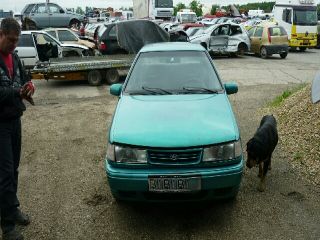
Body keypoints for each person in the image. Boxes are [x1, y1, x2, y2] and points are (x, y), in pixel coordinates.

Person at [0, 18, 35, 240]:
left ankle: (12, 209)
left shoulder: (14, 57)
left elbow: (25, 79)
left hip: (15, 120)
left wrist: (29, 87)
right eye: (11, 40)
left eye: (16, 41)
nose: (14, 45)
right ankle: (7, 227)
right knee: (4, 174)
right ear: (1, 34)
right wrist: (16, 93)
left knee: (13, 171)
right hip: (0, 124)